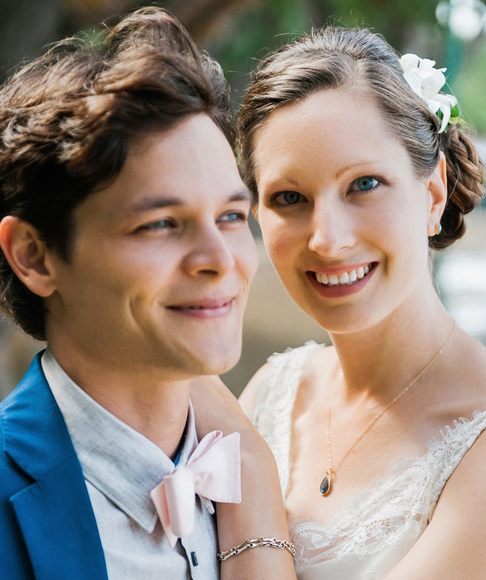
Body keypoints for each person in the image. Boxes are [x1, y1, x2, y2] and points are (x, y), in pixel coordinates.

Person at [237, 27, 486, 579]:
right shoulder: (272, 393)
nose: (327, 239)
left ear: (433, 193)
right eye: (289, 197)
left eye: (364, 184)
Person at [0, 7, 295, 580]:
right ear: (35, 256)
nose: (220, 260)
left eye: (231, 217)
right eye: (160, 224)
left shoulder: (284, 465)